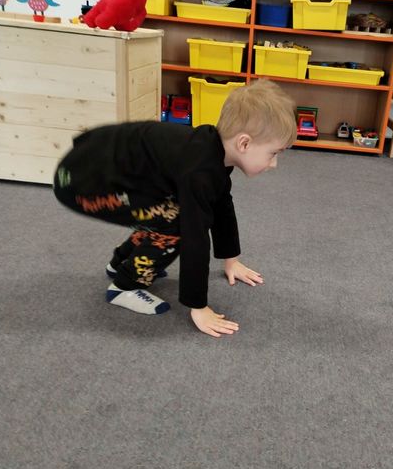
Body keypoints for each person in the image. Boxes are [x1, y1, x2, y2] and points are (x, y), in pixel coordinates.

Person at [53, 80, 296, 338]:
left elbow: (222, 204)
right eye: (273, 153)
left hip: (92, 168)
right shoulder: (200, 171)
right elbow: (195, 237)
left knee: (163, 211)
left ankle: (120, 262)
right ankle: (124, 286)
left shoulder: (212, 150)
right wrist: (198, 306)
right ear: (244, 144)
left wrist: (231, 260)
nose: (274, 164)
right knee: (177, 224)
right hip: (81, 184)